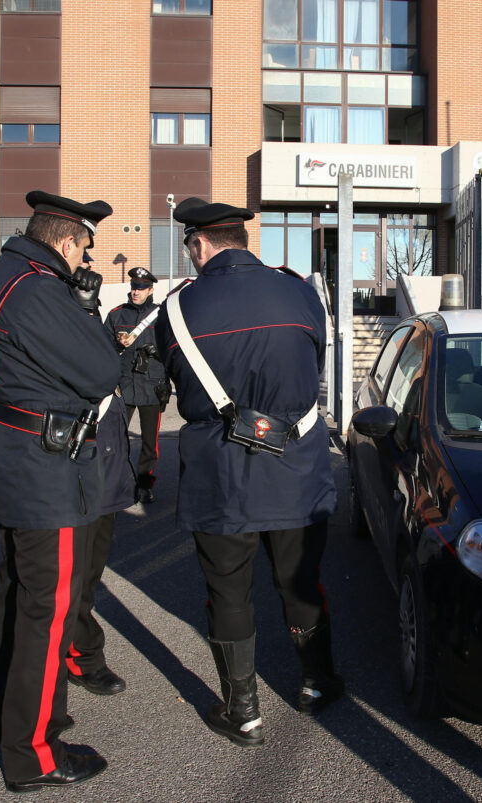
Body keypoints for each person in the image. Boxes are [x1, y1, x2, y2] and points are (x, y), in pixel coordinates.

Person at [155, 196, 341, 748]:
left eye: (190, 246)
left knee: (228, 592)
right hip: (296, 467)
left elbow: (174, 382)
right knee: (301, 581)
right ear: (241, 238)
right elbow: (315, 367)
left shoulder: (178, 309)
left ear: (200, 243)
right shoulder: (300, 292)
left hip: (221, 475)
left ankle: (244, 711)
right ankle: (318, 682)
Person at [0, 190, 117, 793]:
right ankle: (32, 752)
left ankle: (3, 715)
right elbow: (103, 371)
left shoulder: (3, 277)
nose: (85, 259)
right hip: (45, 467)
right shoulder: (38, 288)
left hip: (14, 452)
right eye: (84, 245)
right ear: (65, 238)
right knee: (47, 610)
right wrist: (83, 312)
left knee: (16, 592)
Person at [64, 249, 137, 698]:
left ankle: (75, 647)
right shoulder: (55, 316)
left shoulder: (91, 320)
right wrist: (80, 315)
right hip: (76, 472)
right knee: (72, 577)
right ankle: (82, 655)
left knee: (89, 573)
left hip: (106, 470)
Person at [104, 266, 170, 504]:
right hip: (124, 386)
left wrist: (157, 352)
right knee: (116, 439)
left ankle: (145, 483)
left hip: (152, 387)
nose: (136, 291)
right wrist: (118, 347)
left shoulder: (162, 315)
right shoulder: (116, 315)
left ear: (151, 289)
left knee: (149, 443)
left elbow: (174, 350)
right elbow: (103, 350)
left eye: (141, 288)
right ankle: (119, 481)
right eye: (133, 287)